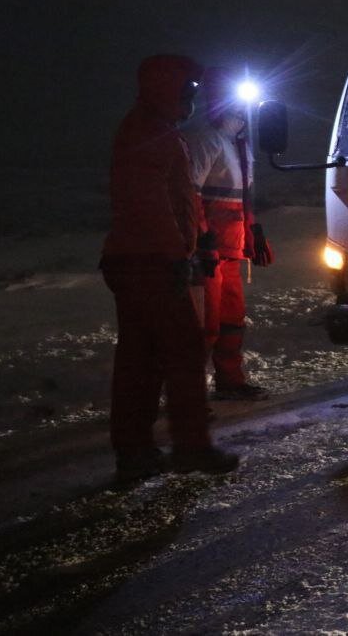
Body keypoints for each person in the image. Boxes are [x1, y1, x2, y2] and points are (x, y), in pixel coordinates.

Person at [100, 54, 240, 483]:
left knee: (140, 360)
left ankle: (135, 451)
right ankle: (191, 447)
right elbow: (154, 207)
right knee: (182, 354)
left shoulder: (151, 130)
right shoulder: (149, 135)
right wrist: (178, 256)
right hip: (151, 264)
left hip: (139, 261)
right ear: (170, 89)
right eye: (189, 90)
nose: (194, 98)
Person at [185, 68, 273, 400]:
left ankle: (230, 380)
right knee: (205, 324)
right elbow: (190, 195)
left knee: (231, 318)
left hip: (229, 250)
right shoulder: (205, 140)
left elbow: (239, 197)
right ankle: (190, 393)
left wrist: (252, 231)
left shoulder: (238, 145)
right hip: (208, 253)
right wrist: (202, 239)